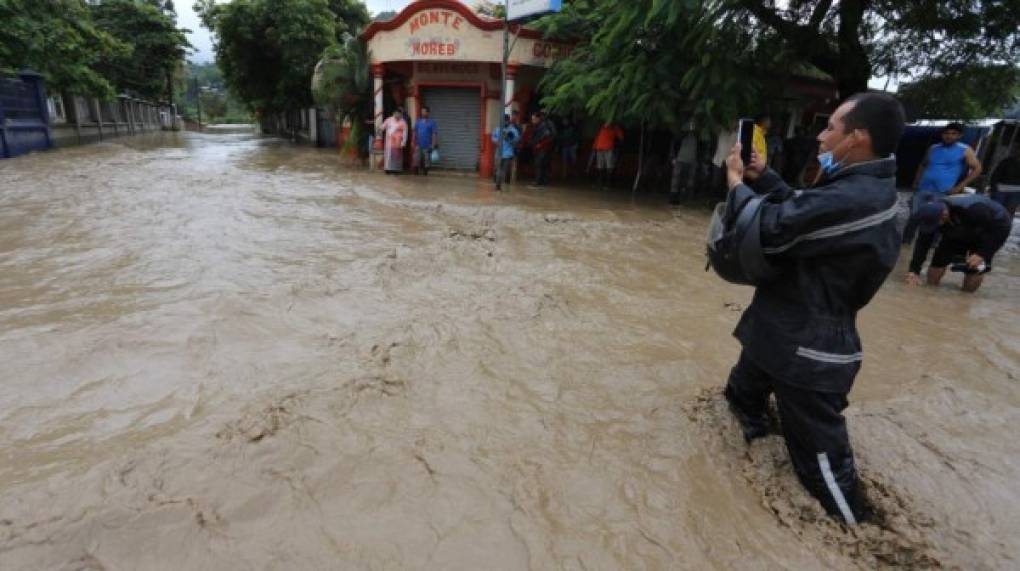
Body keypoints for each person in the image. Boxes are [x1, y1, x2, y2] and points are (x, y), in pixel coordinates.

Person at [721, 93, 906, 525]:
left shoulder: (858, 196)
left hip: (807, 353)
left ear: (857, 137)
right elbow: (802, 212)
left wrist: (736, 184)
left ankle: (863, 540)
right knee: (739, 401)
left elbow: (769, 230)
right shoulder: (857, 187)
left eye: (831, 127)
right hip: (777, 332)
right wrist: (764, 178)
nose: (821, 136)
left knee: (826, 476)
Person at [904, 194, 1011, 292]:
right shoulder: (930, 214)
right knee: (938, 261)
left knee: (976, 268)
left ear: (944, 214)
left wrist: (983, 253)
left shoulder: (975, 209)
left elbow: (1003, 228)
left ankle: (966, 298)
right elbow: (922, 244)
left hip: (988, 232)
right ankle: (930, 292)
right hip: (957, 230)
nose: (934, 228)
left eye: (936, 224)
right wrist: (914, 271)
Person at [902, 123, 983, 243]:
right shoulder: (934, 148)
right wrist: (916, 181)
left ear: (959, 136)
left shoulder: (965, 150)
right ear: (942, 134)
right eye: (946, 133)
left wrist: (959, 187)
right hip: (923, 188)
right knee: (915, 215)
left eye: (953, 134)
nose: (949, 136)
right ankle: (906, 241)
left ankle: (931, 244)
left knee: (938, 218)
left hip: (943, 191)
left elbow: (977, 169)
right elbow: (923, 164)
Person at [491, 115, 521, 191]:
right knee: (497, 169)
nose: (504, 122)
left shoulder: (513, 130)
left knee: (503, 170)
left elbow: (516, 141)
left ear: (508, 121)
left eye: (506, 121)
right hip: (498, 153)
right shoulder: (497, 129)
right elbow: (493, 137)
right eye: (503, 121)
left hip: (508, 154)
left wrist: (508, 138)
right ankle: (497, 184)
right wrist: (496, 141)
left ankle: (498, 185)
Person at [990, 143, 1020, 219]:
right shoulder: (1007, 161)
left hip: (1016, 192)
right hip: (1000, 191)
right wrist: (994, 189)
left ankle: (1004, 229)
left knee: (1008, 214)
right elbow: (995, 175)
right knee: (995, 211)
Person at [593, 122, 624, 187]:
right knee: (599, 165)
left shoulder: (615, 127)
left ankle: (608, 183)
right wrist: (595, 147)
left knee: (609, 166)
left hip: (608, 149)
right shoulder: (601, 127)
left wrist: (616, 145)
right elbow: (597, 137)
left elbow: (621, 137)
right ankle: (600, 182)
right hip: (599, 148)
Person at [530, 112, 556, 187]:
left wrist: (540, 144)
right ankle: (543, 181)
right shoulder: (540, 125)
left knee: (539, 164)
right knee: (543, 165)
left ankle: (538, 181)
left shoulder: (544, 125)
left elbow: (547, 137)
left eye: (534, 119)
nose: (533, 120)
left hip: (543, 148)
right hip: (542, 148)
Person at [380, 109, 408, 174]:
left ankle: (396, 170)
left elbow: (405, 133)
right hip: (389, 143)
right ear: (393, 113)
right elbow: (383, 126)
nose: (397, 115)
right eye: (395, 113)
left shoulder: (403, 122)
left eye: (398, 114)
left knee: (396, 156)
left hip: (398, 143)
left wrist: (403, 142)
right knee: (389, 156)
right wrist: (380, 128)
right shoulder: (389, 120)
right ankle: (387, 169)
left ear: (401, 114)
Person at [412, 106, 438, 176]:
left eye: (424, 111)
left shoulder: (432, 122)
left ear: (428, 113)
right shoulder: (418, 122)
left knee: (427, 161)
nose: (422, 113)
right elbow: (414, 132)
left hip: (428, 145)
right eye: (422, 111)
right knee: (416, 159)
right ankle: (416, 174)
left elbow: (434, 134)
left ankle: (425, 175)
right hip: (418, 144)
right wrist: (413, 142)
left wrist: (433, 144)